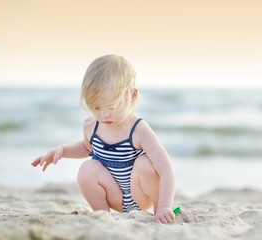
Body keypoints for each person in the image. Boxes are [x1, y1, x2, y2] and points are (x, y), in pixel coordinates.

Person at [31, 55, 176, 224]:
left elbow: (166, 170)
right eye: (96, 107)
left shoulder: (138, 129)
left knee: (145, 163)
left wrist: (165, 206)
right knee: (87, 168)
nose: (104, 114)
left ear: (132, 96)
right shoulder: (92, 125)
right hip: (115, 195)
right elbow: (87, 148)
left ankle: (159, 212)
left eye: (111, 107)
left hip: (141, 194)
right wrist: (63, 151)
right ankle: (103, 216)